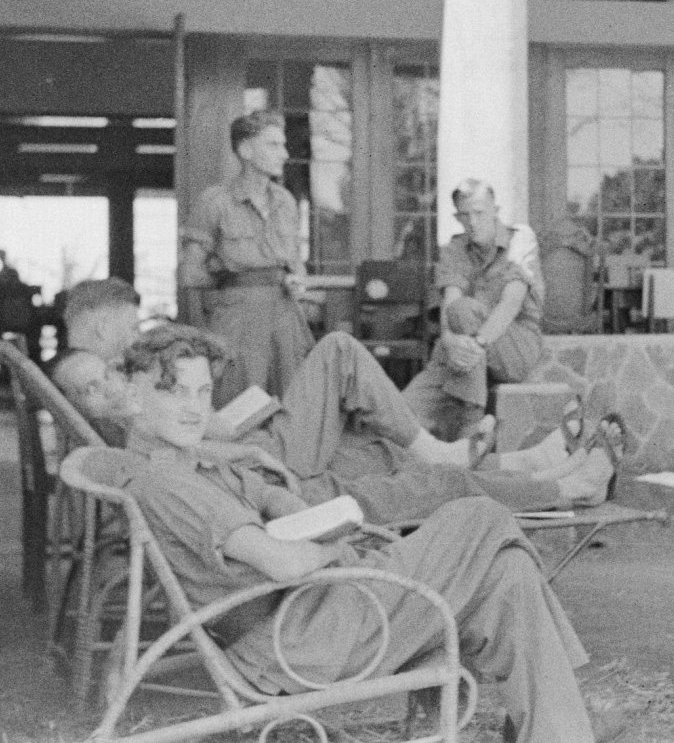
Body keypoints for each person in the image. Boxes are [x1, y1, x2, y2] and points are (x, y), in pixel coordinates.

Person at [91, 324, 602, 741]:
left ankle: (561, 730)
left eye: (203, 392)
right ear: (134, 395)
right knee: (480, 517)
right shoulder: (168, 482)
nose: (194, 407)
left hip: (323, 609)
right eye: (173, 391)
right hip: (300, 638)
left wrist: (293, 509)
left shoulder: (186, 458)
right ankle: (563, 720)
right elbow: (285, 562)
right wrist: (335, 538)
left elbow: (267, 494)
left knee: (507, 571)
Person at [51, 329, 618, 525]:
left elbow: (202, 451)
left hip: (277, 470)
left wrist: (233, 432)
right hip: (289, 487)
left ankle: (538, 467)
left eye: (106, 373)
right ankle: (566, 487)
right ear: (77, 407)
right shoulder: (133, 440)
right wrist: (247, 452)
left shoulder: (151, 422)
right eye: (91, 389)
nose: (108, 387)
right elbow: (207, 484)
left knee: (381, 450)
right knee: (342, 355)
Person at [179, 109, 314, 407]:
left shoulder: (285, 202)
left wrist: (296, 281)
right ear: (246, 150)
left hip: (284, 318)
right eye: (273, 145)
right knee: (237, 406)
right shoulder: (215, 201)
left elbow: (296, 264)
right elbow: (189, 273)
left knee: (292, 404)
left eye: (283, 145)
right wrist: (230, 279)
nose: (284, 154)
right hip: (237, 320)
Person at [403, 178, 545, 440]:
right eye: (465, 215)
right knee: (403, 415)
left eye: (479, 213)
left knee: (464, 310)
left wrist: (473, 347)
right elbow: (450, 304)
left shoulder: (521, 240)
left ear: (495, 210)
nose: (473, 222)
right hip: (461, 348)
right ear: (457, 217)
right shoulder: (455, 249)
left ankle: (470, 420)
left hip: (513, 346)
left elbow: (510, 305)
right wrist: (450, 340)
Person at [62, 277, 141, 364]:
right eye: (134, 328)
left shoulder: (61, 366)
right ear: (104, 327)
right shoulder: (93, 369)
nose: (138, 337)